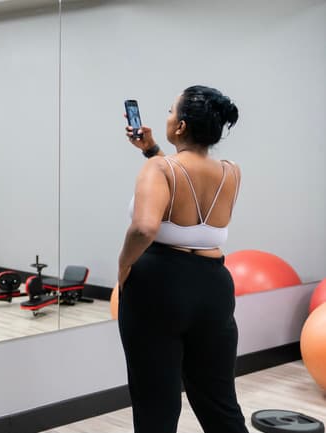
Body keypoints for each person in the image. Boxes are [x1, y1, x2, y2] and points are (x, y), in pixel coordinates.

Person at [117, 85, 247, 433]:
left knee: (156, 403)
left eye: (171, 111)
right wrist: (152, 150)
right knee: (219, 401)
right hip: (214, 287)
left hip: (159, 285)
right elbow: (186, 192)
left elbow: (144, 228)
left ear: (182, 126)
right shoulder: (231, 171)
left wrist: (123, 265)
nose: (168, 118)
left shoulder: (159, 170)